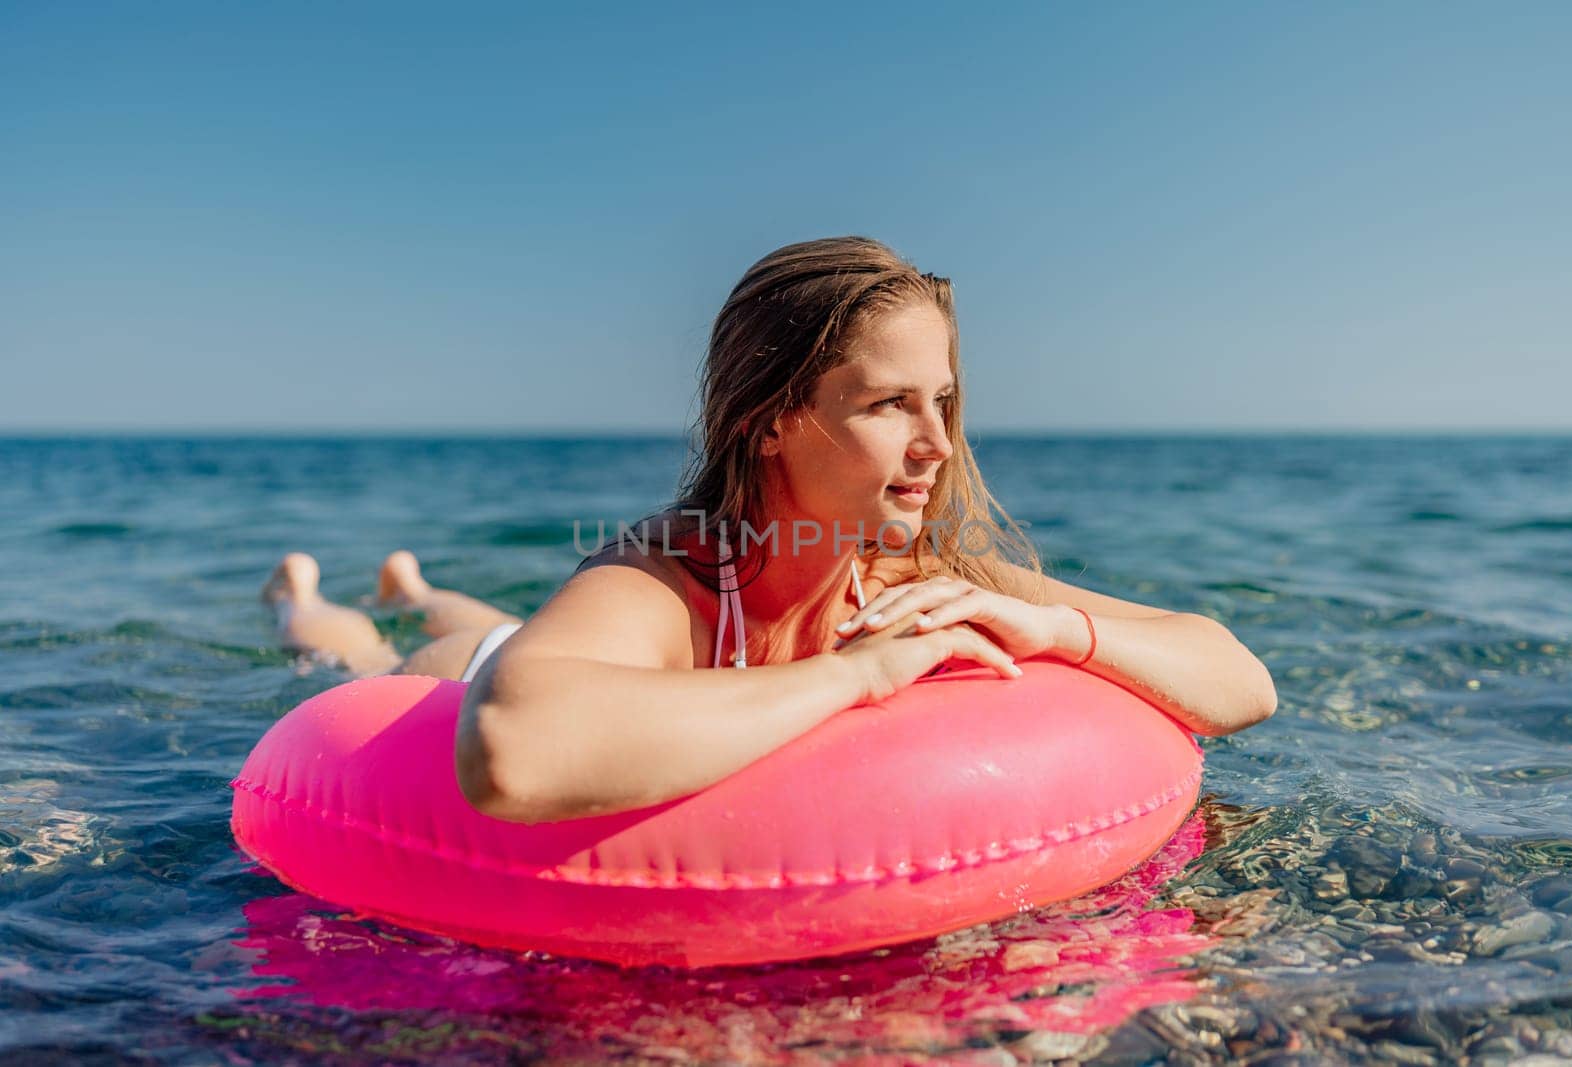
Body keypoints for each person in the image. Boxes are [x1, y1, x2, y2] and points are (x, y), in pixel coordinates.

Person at [261, 236, 1277, 826]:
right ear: (775, 416)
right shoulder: (672, 568)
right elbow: (512, 748)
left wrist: (1057, 628)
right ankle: (318, 596)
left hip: (580, 654)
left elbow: (1241, 682)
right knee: (360, 647)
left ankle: (410, 578)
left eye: (944, 401)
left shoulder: (917, 569)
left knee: (466, 609)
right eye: (889, 405)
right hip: (480, 671)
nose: (936, 443)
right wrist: (860, 674)